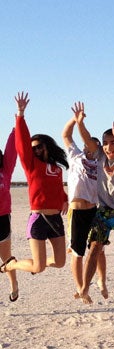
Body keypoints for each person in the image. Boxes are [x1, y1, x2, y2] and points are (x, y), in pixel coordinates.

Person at [1, 92, 68, 276]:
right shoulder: (32, 165)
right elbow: (22, 143)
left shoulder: (56, 168)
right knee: (38, 268)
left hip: (55, 219)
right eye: (33, 148)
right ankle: (11, 265)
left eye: (39, 146)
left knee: (60, 262)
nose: (36, 150)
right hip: (38, 219)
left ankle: (37, 263)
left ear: (47, 146)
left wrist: (65, 199)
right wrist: (20, 115)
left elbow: (57, 189)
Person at [75, 113, 114, 306]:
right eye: (106, 143)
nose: (110, 147)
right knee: (94, 248)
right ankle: (85, 288)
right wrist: (80, 123)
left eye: (113, 143)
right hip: (103, 213)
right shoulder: (100, 156)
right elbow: (87, 140)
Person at [62, 101, 108, 301]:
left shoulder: (100, 162)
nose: (90, 147)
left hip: (94, 210)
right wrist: (75, 119)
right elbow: (66, 135)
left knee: (98, 248)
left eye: (94, 145)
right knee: (77, 252)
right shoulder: (75, 155)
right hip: (77, 210)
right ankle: (82, 288)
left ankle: (101, 281)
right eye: (88, 144)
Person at [0, 125, 19, 301]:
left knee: (6, 257)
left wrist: (15, 130)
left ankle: (14, 285)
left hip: (2, 219)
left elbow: (11, 153)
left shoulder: (5, 172)